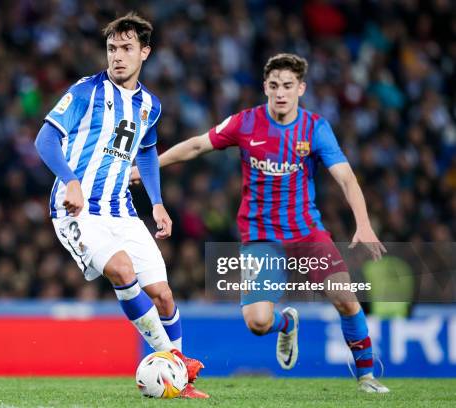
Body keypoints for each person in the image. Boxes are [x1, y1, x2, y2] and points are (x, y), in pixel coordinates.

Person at [131, 53, 390, 393]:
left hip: (306, 232)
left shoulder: (315, 128)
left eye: (287, 86)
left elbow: (346, 178)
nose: (280, 93)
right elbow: (196, 146)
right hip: (260, 238)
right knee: (257, 323)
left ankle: (367, 377)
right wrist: (149, 168)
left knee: (345, 297)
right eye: (273, 86)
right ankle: (286, 324)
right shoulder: (245, 123)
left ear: (301, 88)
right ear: (265, 87)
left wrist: (363, 223)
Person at [34, 12, 208, 398]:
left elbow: (146, 153)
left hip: (122, 211)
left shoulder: (150, 105)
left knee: (163, 294)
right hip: (77, 210)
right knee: (121, 268)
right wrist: (72, 181)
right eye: (112, 48)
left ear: (144, 52)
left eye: (126, 48)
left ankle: (182, 382)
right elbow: (44, 140)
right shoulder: (86, 92)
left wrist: (158, 203)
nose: (117, 56)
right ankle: (175, 359)